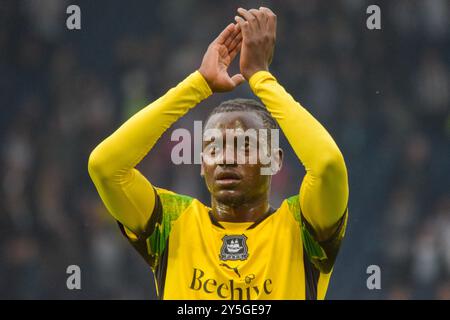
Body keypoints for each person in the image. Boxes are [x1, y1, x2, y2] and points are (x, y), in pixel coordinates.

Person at [88, 7, 349, 300]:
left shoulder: (302, 227)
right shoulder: (174, 224)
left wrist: (261, 79)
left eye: (245, 146)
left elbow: (327, 164)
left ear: (274, 160)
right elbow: (105, 166)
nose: (227, 158)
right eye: (214, 147)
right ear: (202, 163)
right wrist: (198, 84)